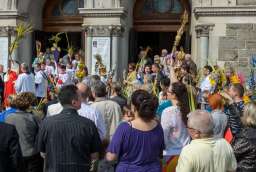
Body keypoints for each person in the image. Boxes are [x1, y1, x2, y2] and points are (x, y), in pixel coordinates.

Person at [38, 85, 102, 172]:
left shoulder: (47, 123)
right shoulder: (88, 125)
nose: (82, 99)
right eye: (80, 97)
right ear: (74, 102)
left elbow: (43, 152)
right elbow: (94, 155)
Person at [106, 90, 165, 172]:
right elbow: (160, 152)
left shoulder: (124, 128)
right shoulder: (158, 126)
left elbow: (111, 157)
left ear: (133, 107)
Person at [5, 92, 43, 172]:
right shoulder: (34, 117)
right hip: (31, 155)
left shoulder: (8, 118)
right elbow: (41, 135)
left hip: (16, 155)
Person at [161, 82, 190, 171]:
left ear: (174, 95)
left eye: (168, 91)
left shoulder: (168, 111)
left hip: (171, 154)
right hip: (187, 153)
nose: (166, 93)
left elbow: (164, 134)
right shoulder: (189, 108)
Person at [231, 102, 256, 172]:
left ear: (248, 115)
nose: (242, 115)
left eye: (243, 113)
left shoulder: (245, 137)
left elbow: (230, 155)